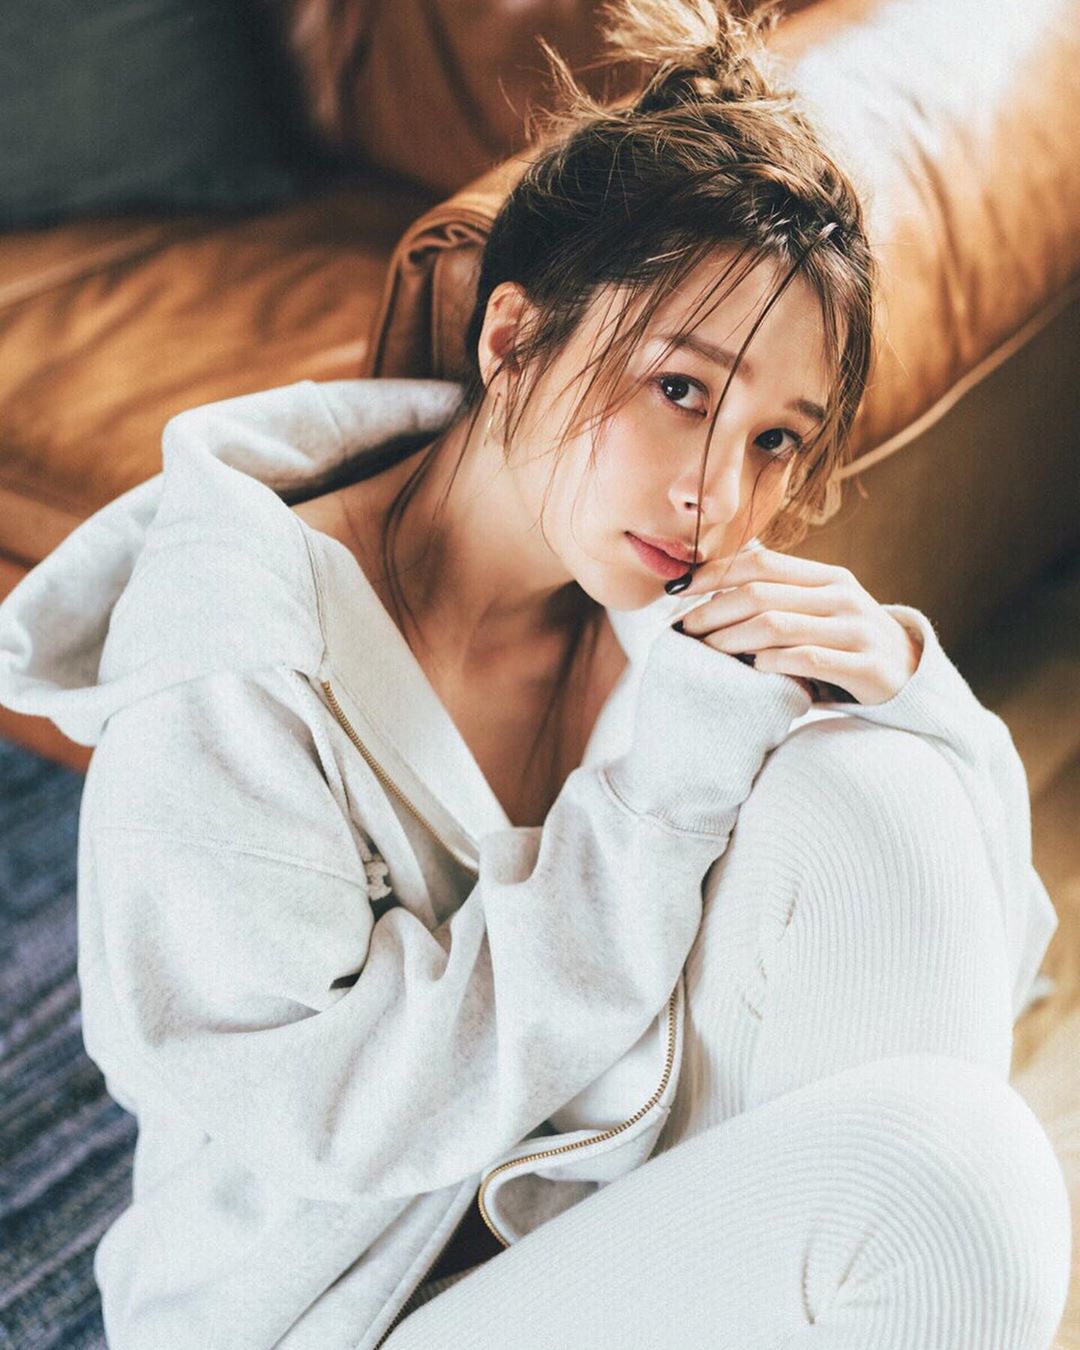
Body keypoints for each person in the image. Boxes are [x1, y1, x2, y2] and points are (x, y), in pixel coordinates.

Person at [0, 1, 1070, 1346]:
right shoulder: (231, 664)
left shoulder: (652, 613)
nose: (717, 493)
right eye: (681, 390)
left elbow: (983, 953)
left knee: (871, 790)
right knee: (951, 1196)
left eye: (775, 439)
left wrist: (914, 692)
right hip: (330, 1305)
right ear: (511, 341)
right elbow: (339, 1117)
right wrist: (658, 800)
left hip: (578, 1211)